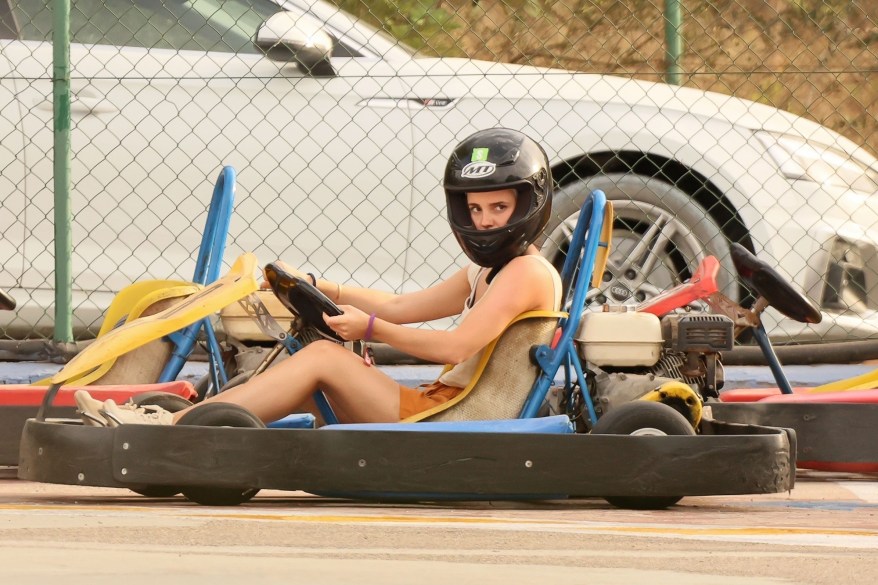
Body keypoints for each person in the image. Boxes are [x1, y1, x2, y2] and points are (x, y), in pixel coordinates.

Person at [74, 127, 563, 427]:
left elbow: (454, 347)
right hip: (441, 405)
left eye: (499, 207)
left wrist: (367, 332)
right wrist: (317, 284)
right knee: (305, 374)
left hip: (458, 415)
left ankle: (167, 430)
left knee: (325, 356)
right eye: (476, 208)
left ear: (529, 205)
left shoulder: (526, 274)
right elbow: (398, 306)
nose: (485, 221)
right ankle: (187, 426)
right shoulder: (489, 270)